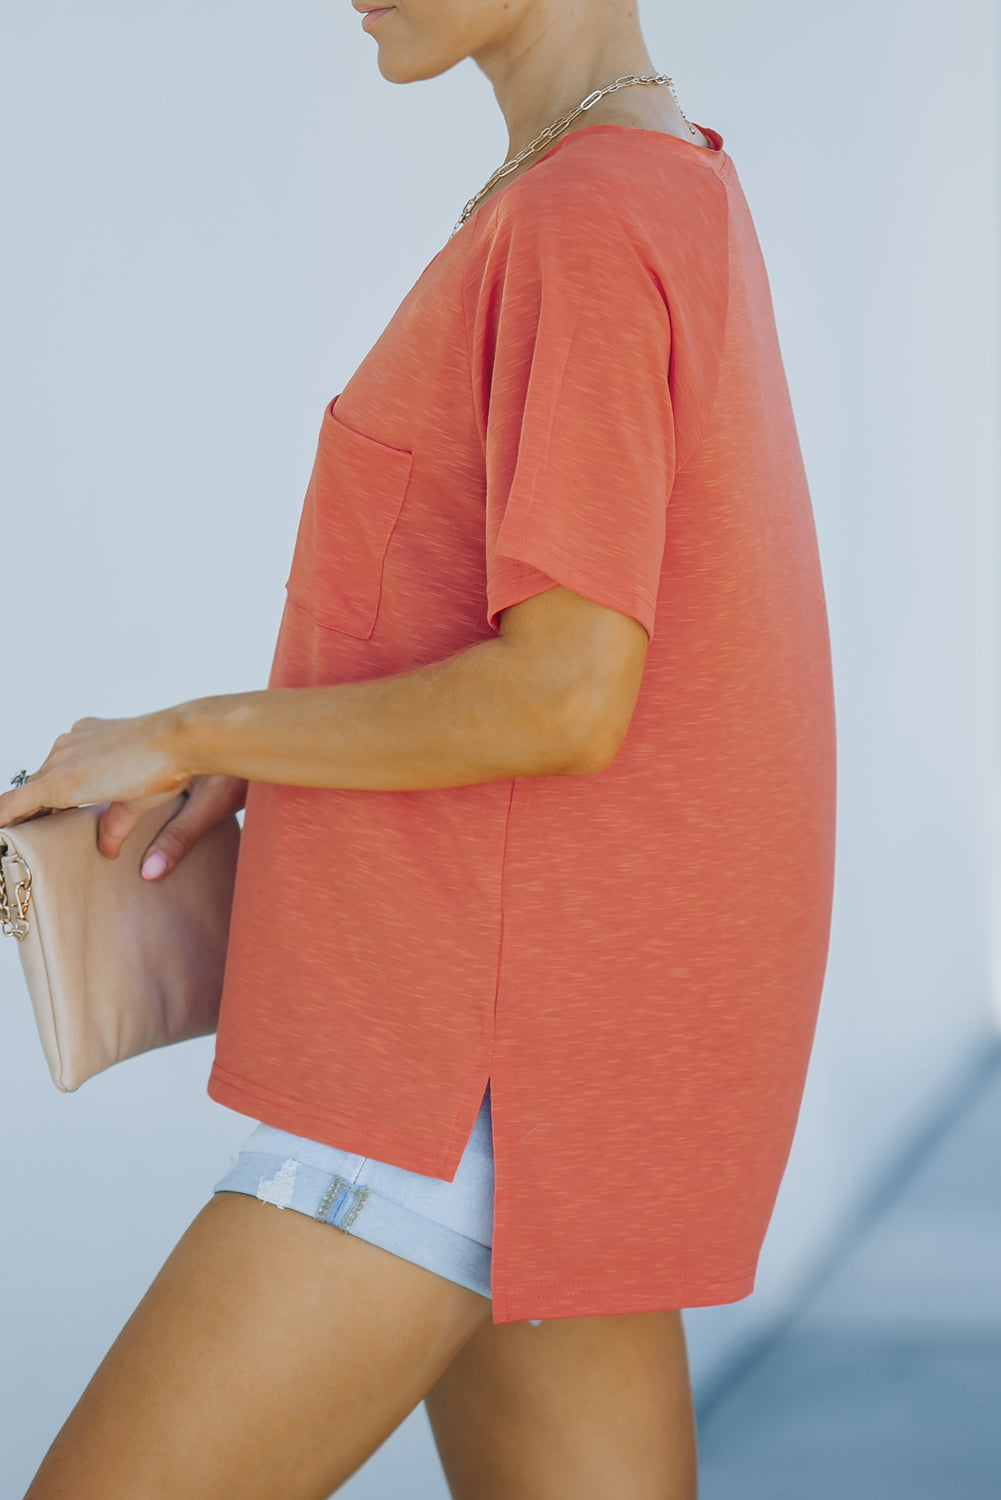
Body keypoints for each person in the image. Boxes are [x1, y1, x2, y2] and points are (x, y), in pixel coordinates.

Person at [3, 0, 836, 1495]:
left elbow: (566, 697)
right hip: (556, 1102)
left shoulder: (583, 215)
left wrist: (185, 729)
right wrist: (269, 751)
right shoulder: (657, 177)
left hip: (459, 1076)